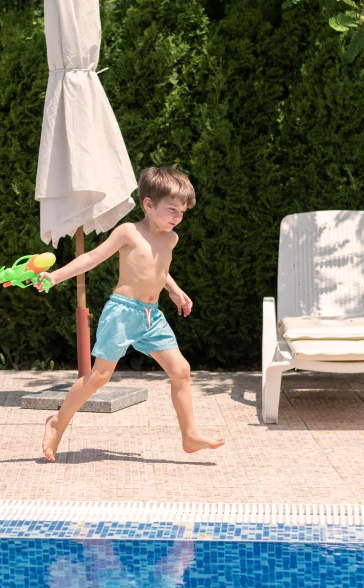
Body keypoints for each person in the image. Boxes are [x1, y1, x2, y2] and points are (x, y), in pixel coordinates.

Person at [35, 165, 225, 461]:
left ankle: (189, 436)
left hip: (152, 316)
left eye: (182, 212)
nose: (177, 218)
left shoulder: (170, 239)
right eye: (172, 210)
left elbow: (158, 267)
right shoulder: (129, 232)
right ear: (148, 205)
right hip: (122, 313)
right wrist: (55, 276)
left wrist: (172, 289)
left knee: (181, 371)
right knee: (99, 377)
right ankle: (57, 423)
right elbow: (92, 257)